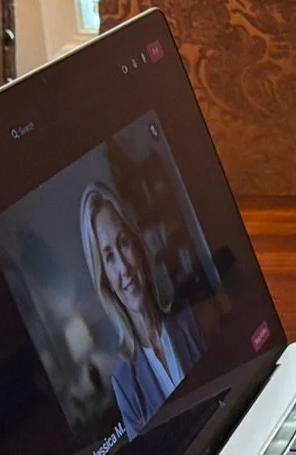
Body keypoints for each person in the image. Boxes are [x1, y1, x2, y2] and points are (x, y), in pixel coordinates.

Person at [79, 181, 203, 437]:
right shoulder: (124, 385)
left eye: (123, 243)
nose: (124, 268)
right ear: (106, 281)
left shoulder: (192, 320)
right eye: (110, 257)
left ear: (137, 245)